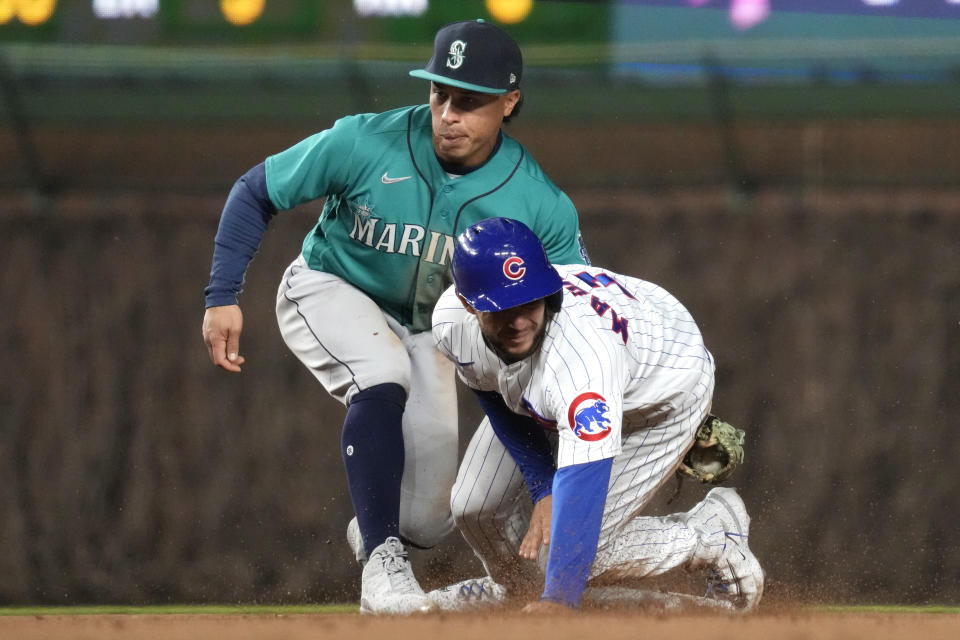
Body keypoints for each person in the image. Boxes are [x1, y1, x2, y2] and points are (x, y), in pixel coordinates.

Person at [201, 20, 589, 615]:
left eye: (470, 101)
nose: (448, 113)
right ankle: (382, 567)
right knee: (381, 373)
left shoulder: (538, 202)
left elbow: (578, 308)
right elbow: (255, 191)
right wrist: (222, 294)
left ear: (510, 103)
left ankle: (382, 535)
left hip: (430, 330)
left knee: (431, 519)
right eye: (440, 93)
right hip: (328, 287)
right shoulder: (363, 141)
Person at [430, 217, 764, 612]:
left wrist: (558, 602)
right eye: (502, 308)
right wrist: (542, 486)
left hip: (664, 392)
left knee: (579, 554)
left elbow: (583, 479)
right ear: (469, 304)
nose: (519, 321)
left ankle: (709, 535)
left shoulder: (580, 362)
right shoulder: (452, 323)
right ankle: (518, 592)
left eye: (528, 300)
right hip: (600, 364)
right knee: (473, 506)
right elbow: (490, 386)